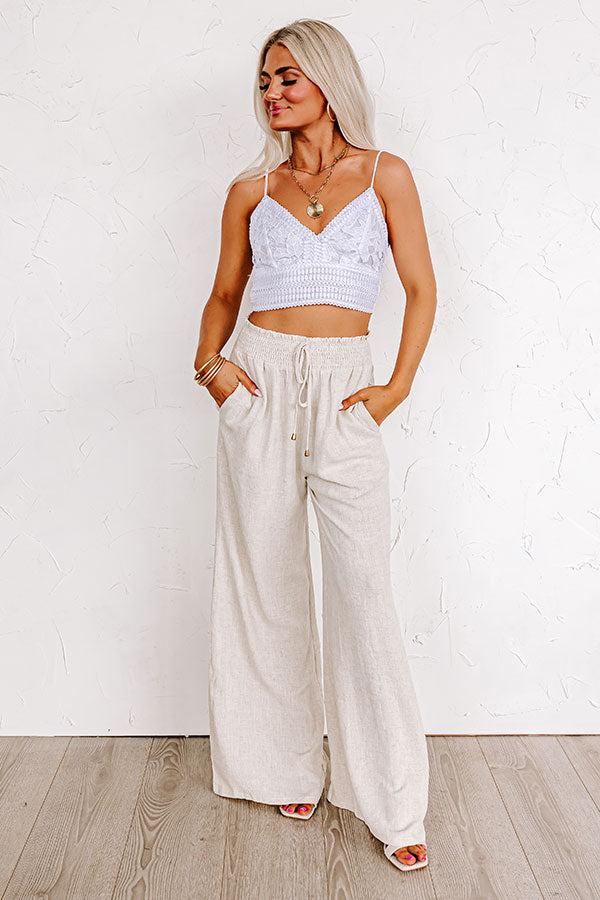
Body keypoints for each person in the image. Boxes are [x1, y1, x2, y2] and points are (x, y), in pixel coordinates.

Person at [194, 19, 437, 873]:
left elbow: (420, 289)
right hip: (259, 382)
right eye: (265, 80)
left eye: (288, 77)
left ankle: (394, 802)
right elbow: (224, 293)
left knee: (363, 591)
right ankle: (283, 766)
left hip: (345, 389)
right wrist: (212, 370)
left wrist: (394, 388)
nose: (272, 93)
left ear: (328, 80)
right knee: (265, 579)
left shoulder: (384, 174)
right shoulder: (249, 190)